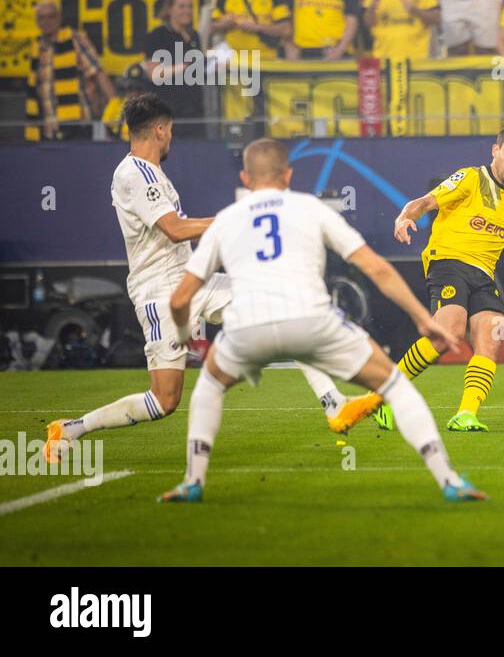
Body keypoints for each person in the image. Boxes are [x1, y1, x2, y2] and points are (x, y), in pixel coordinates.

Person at [42, 97, 381, 468]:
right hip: (161, 291)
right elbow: (174, 229)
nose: (171, 137)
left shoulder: (151, 174)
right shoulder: (134, 174)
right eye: (169, 129)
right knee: (164, 401)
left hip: (192, 279)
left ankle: (334, 405)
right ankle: (71, 428)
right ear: (159, 129)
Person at [159, 137, 483, 504]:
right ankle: (448, 480)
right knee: (394, 384)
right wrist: (422, 318)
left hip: (247, 327)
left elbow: (180, 298)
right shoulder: (310, 208)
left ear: (246, 178)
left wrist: (187, 335)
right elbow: (375, 267)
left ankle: (193, 480)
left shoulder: (226, 220)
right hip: (313, 321)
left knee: (208, 387)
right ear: (289, 174)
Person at [388, 128, 504, 433]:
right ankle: (386, 394)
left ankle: (466, 415)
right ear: (495, 150)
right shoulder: (471, 178)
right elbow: (425, 202)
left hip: (484, 275)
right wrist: (405, 217)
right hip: (448, 262)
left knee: (492, 337)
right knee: (449, 333)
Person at [25, 0, 114, 141]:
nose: (46, 21)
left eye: (51, 16)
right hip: (48, 129)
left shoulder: (74, 39)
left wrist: (117, 108)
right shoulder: (37, 47)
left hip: (78, 126)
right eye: (42, 17)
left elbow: (97, 73)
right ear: (37, 21)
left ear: (59, 18)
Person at [142, 0, 205, 137]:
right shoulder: (158, 35)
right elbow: (154, 73)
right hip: (167, 111)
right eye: (182, 6)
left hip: (194, 111)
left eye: (190, 6)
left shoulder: (194, 35)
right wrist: (187, 65)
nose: (187, 11)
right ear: (170, 9)